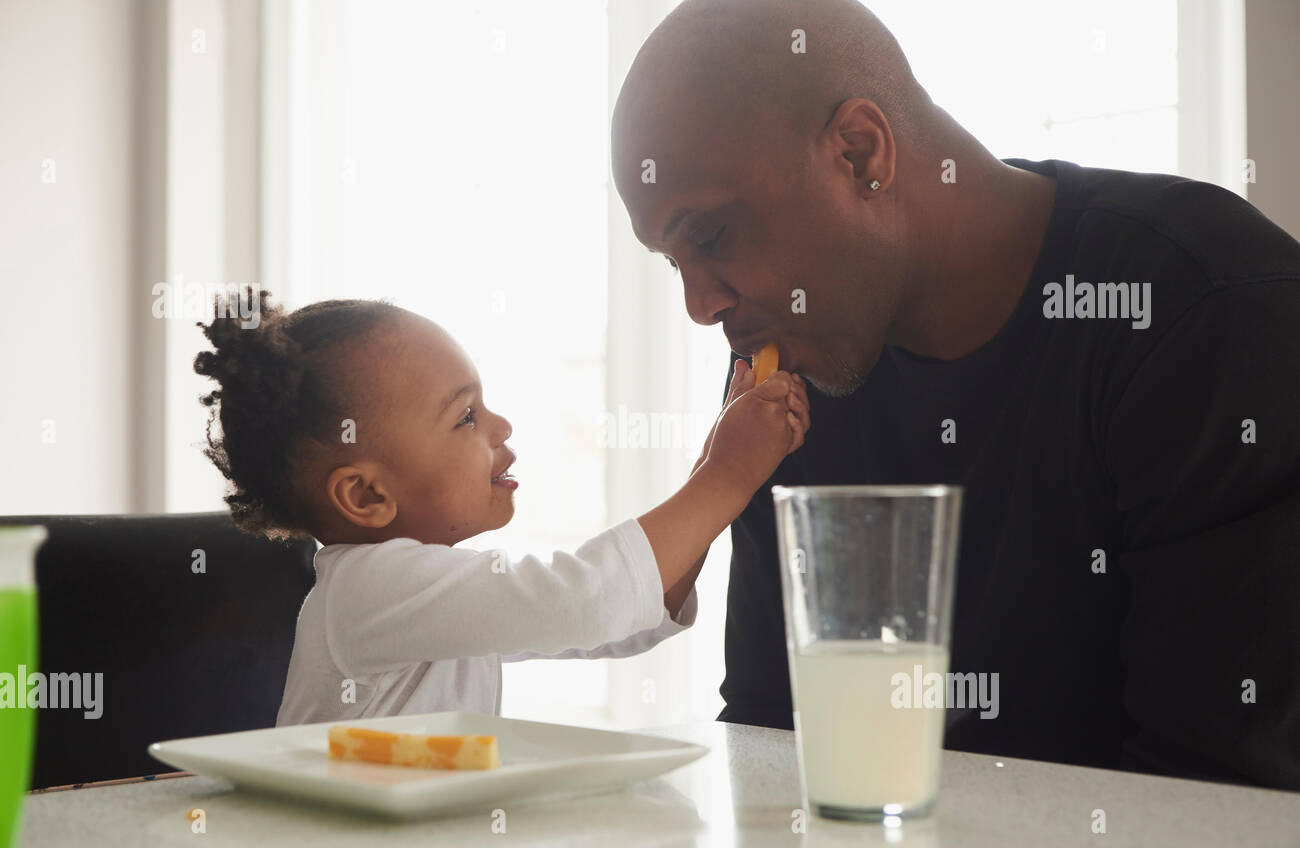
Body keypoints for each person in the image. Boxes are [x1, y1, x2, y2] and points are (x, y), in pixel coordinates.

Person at [611, 0, 1300, 789]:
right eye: (674, 262)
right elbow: (774, 754)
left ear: (860, 152)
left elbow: (1216, 840)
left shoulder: (1209, 315)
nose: (699, 305)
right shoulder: (793, 381)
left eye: (710, 236)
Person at [192, 293, 810, 725]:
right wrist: (730, 475)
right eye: (465, 416)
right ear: (367, 496)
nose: (500, 425)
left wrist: (713, 463)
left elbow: (619, 619)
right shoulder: (369, 591)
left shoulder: (430, 596)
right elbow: (588, 601)